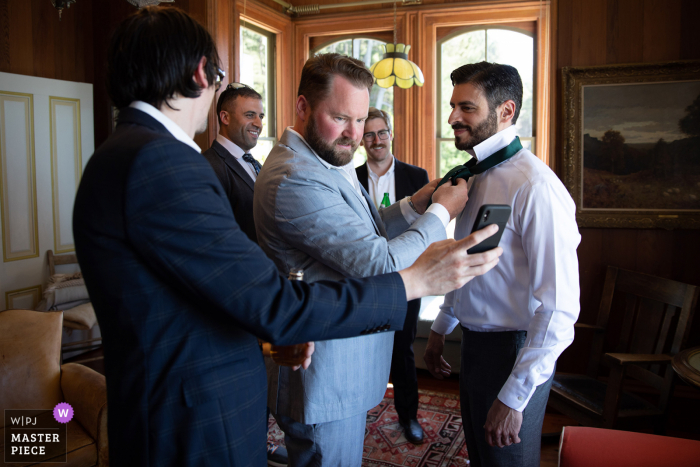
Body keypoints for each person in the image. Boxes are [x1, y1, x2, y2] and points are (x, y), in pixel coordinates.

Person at [72, 7, 502, 467]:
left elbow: (210, 291)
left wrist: (270, 333)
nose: (356, 135)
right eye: (218, 75)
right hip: (191, 421)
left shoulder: (122, 154)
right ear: (200, 73)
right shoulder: (164, 163)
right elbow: (273, 302)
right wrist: (415, 281)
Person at [253, 53, 472, 466]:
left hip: (340, 367)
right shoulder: (294, 175)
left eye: (359, 120)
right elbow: (380, 264)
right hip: (321, 376)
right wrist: (440, 214)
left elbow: (360, 230)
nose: (354, 135)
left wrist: (415, 203)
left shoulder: (324, 158)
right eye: (340, 118)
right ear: (302, 107)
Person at [423, 62, 581, 467]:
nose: (453, 117)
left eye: (467, 108)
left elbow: (560, 309)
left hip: (514, 352)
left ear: (506, 111)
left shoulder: (536, 188)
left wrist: (514, 397)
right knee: (482, 459)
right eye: (453, 105)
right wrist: (442, 328)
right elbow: (472, 262)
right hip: (474, 347)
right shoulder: (472, 178)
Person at [202, 85, 288, 466]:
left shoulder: (256, 164)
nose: (259, 122)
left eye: (260, 115)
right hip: (237, 297)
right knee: (247, 383)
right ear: (225, 117)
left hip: (264, 291)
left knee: (262, 379)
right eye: (250, 114)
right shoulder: (211, 166)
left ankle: (260, 443)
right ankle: (250, 448)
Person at [356, 107, 430, 444]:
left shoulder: (418, 177)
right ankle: (356, 415)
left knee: (403, 348)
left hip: (406, 276)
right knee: (358, 349)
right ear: (361, 139)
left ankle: (408, 417)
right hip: (362, 276)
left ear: (391, 133)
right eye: (368, 134)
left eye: (381, 132)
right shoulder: (348, 176)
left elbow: (426, 226)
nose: (376, 140)